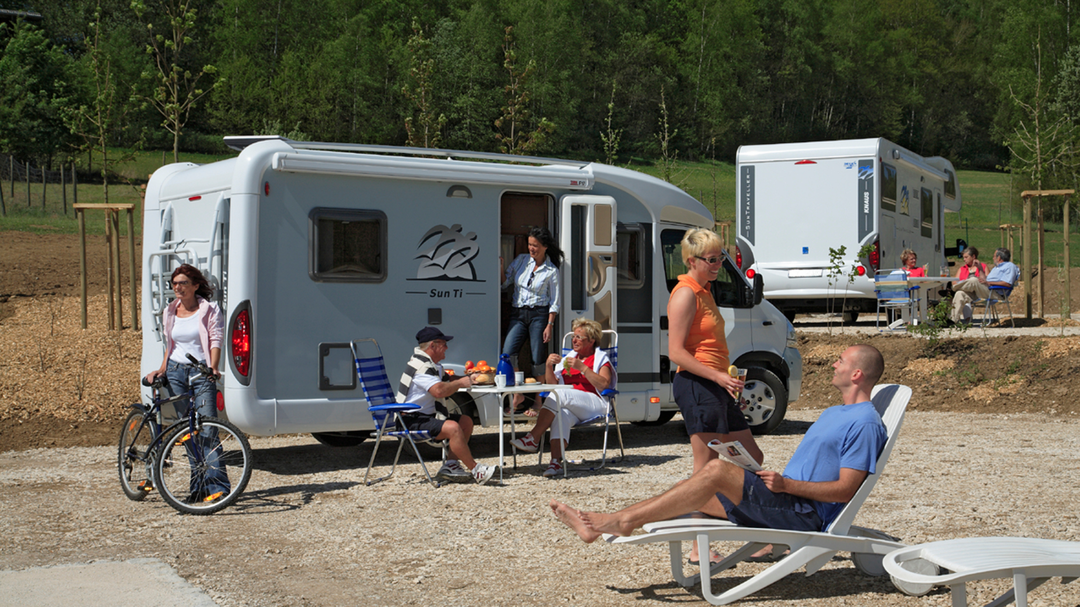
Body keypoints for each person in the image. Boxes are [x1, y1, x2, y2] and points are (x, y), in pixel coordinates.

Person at [551, 344, 888, 549]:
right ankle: (611, 521)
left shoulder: (865, 423)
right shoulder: (836, 412)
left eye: (841, 361)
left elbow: (846, 490)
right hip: (784, 500)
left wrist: (786, 485)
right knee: (690, 488)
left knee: (713, 470)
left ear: (857, 374)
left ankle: (618, 522)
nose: (834, 364)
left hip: (802, 513)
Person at [666, 227, 763, 565]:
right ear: (692, 261)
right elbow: (676, 353)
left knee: (752, 458)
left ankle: (755, 530)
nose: (718, 263)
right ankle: (698, 547)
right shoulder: (685, 294)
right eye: (711, 259)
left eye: (721, 257)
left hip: (716, 383)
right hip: (696, 384)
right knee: (705, 468)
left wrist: (726, 376)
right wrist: (718, 375)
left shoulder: (704, 291)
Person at [144, 264, 229, 502]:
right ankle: (198, 488)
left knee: (208, 429)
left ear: (195, 286)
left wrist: (213, 366)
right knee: (187, 432)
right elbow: (169, 345)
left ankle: (217, 487)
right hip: (175, 372)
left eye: (183, 283)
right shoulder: (170, 310)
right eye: (174, 284)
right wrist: (161, 369)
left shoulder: (209, 309)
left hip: (200, 371)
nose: (177, 288)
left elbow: (216, 338)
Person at [509, 318, 614, 478]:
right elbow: (553, 385)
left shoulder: (600, 359)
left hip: (595, 403)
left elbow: (604, 385)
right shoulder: (569, 358)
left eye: (579, 337)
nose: (574, 340)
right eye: (574, 336)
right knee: (561, 413)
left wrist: (583, 368)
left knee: (561, 394)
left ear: (591, 340)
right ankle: (556, 462)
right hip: (571, 403)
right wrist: (548, 366)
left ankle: (533, 437)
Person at [396, 327, 497, 485]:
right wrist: (463, 382)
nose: (447, 348)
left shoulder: (430, 364)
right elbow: (438, 391)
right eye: (444, 344)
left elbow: (448, 379)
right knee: (453, 427)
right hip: (410, 419)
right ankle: (476, 470)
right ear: (433, 346)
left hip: (423, 416)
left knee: (466, 422)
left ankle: (451, 465)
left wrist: (470, 377)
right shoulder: (422, 367)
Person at [501, 227, 563, 382]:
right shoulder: (521, 260)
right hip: (518, 313)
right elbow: (504, 283)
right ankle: (517, 394)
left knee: (537, 356)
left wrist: (550, 324)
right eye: (529, 244)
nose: (531, 248)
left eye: (535, 245)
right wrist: (500, 266)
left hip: (539, 315)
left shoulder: (551, 270)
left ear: (545, 247)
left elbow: (555, 301)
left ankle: (538, 399)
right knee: (508, 352)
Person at [949, 247, 1020, 324]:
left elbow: (1007, 283)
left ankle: (953, 288)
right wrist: (979, 268)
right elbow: (985, 279)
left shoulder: (1010, 266)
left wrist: (989, 283)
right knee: (960, 293)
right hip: (986, 291)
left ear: (999, 258)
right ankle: (953, 321)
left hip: (995, 293)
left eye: (994, 256)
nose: (993, 258)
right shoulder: (996, 268)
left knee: (974, 280)